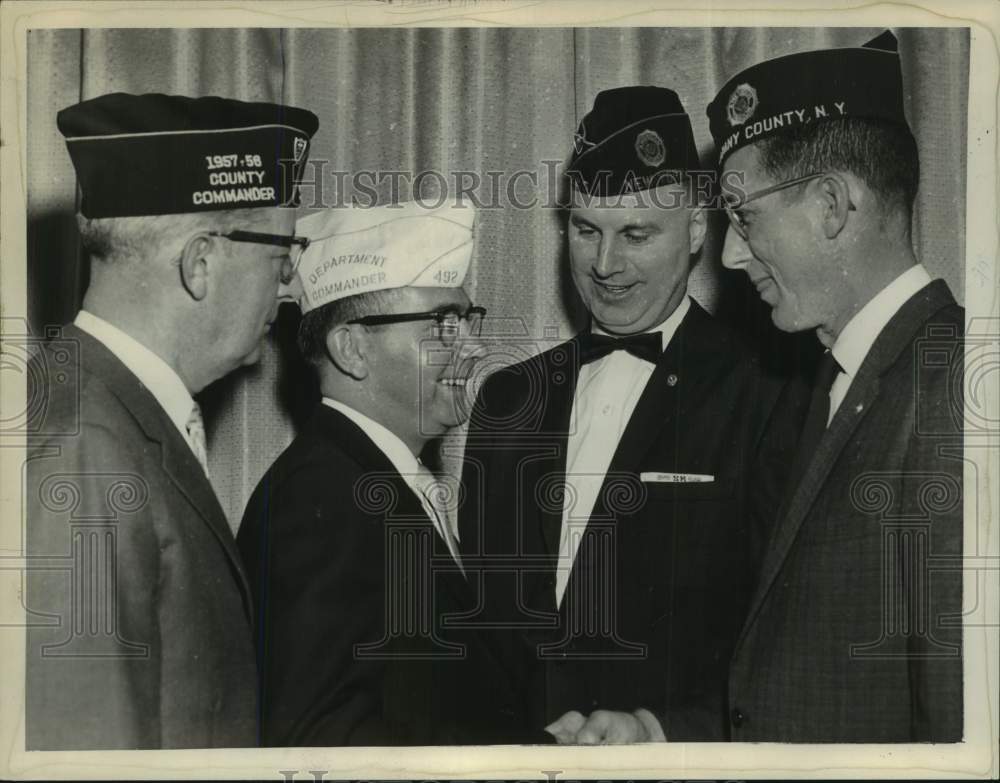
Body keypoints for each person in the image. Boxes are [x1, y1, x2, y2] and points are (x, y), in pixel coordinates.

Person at [459, 87, 793, 743]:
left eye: (635, 234)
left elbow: (785, 643)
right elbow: (481, 628)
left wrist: (662, 732)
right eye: (587, 231)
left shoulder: (766, 391)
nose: (604, 266)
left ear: (698, 228)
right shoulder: (507, 397)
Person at [25, 92, 318, 749]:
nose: (289, 286)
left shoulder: (106, 414)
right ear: (201, 262)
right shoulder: (84, 447)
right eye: (281, 254)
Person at [704, 30, 964, 741]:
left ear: (830, 205)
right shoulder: (839, 380)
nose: (728, 254)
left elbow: (960, 725)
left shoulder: (956, 392)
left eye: (743, 216)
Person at [237, 198, 548, 746]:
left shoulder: (379, 481)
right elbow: (316, 739)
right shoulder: (319, 501)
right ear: (351, 348)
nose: (473, 347)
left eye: (467, 319)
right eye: (442, 324)